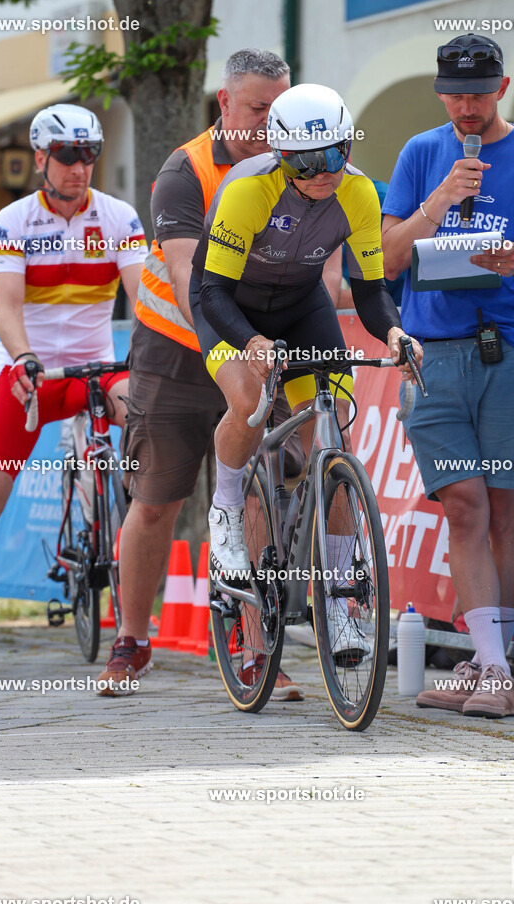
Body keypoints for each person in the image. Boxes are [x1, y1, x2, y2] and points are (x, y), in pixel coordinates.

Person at [97, 49, 321, 700]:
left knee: (259, 490)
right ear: (223, 104)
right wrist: (236, 347)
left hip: (257, 337)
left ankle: (256, 649)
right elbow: (194, 279)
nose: (270, 124)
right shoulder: (185, 171)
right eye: (257, 110)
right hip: (175, 340)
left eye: (281, 111)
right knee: (158, 496)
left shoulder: (295, 164)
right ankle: (132, 639)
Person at [188, 82, 421, 663]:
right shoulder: (248, 191)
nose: (322, 173)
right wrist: (253, 343)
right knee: (247, 401)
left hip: (301, 305)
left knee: (334, 438)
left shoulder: (361, 194)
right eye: (304, 163)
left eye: (334, 157)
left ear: (348, 147)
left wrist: (394, 333)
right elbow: (213, 291)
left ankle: (342, 603)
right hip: (229, 307)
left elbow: (369, 292)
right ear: (281, 157)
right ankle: (224, 508)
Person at [382, 34, 514, 718]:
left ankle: (488, 662)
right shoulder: (420, 154)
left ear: (503, 86)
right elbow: (384, 257)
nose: (466, 108)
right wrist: (438, 201)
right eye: (454, 96)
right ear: (439, 93)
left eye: (478, 94)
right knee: (460, 502)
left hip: (510, 351)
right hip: (432, 354)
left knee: (501, 508)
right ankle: (493, 669)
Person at [0, 104, 147, 673]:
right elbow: (7, 307)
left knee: (144, 426)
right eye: (66, 156)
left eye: (89, 155)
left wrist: (146, 355)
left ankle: (134, 619)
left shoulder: (118, 216)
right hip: (32, 369)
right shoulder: (14, 221)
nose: (79, 168)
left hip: (97, 367)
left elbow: (142, 299)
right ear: (40, 158)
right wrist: (25, 358)